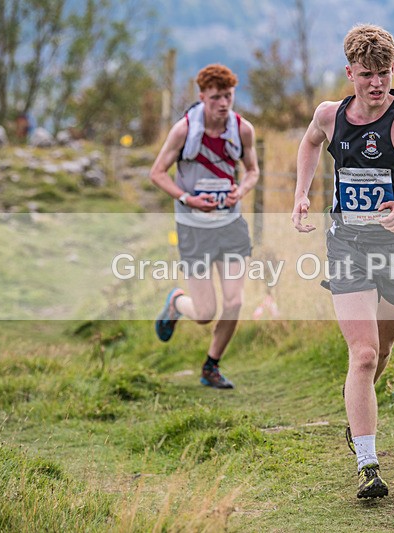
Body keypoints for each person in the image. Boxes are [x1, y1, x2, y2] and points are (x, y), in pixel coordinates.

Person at [292, 24, 394, 499]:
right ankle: (368, 462)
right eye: (367, 75)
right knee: (361, 355)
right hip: (347, 245)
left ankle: (356, 414)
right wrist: (301, 195)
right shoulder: (329, 115)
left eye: (384, 73)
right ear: (350, 73)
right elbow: (308, 143)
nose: (377, 84)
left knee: (381, 353)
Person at [151, 64, 259, 389]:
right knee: (204, 312)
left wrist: (241, 190)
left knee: (235, 301)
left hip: (230, 224)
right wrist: (187, 198)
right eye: (216, 98)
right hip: (193, 227)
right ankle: (176, 302)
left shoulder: (243, 130)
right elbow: (157, 172)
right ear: (202, 97)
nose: (223, 104)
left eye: (228, 96)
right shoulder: (183, 130)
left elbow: (253, 171)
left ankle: (211, 366)